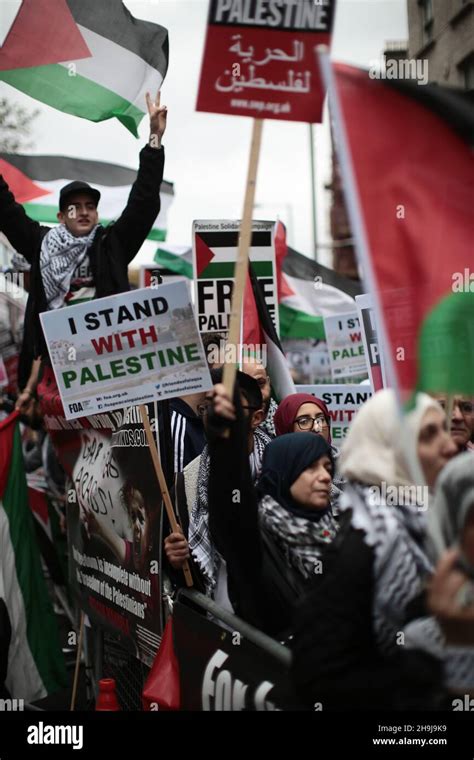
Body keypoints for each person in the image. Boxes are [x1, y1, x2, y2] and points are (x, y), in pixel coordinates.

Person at [290, 389, 457, 710]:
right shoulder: (361, 544)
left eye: (444, 430)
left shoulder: (433, 522)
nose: (449, 446)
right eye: (428, 435)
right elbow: (317, 678)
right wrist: (419, 671)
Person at [0, 90, 168, 395]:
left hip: (108, 372)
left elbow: (143, 203)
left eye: (90, 206)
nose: (84, 211)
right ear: (62, 216)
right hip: (57, 373)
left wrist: (154, 140)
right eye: (75, 206)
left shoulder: (111, 246)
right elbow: (6, 210)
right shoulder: (40, 244)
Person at [196, 382, 338, 638]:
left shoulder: (337, 532)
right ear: (283, 473)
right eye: (310, 468)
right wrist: (227, 440)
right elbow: (231, 511)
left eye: (327, 467)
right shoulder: (258, 539)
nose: (325, 477)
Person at [164, 370, 269, 603]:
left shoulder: (284, 468)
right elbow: (186, 576)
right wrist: (177, 559)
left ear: (257, 417)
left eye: (228, 406)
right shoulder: (186, 483)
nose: (215, 414)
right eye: (209, 407)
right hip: (217, 617)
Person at [274, 392, 345, 501]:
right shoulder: (274, 474)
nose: (316, 428)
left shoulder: (350, 465)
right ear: (286, 428)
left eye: (321, 419)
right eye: (304, 421)